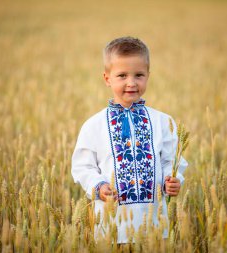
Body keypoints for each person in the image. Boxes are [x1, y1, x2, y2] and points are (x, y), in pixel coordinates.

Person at [71, 36, 188, 244]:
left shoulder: (163, 122)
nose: (131, 83)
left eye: (139, 75)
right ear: (107, 78)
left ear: (148, 76)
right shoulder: (94, 125)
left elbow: (173, 161)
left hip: (154, 227)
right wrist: (98, 187)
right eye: (122, 75)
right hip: (112, 227)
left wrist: (174, 180)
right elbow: (82, 167)